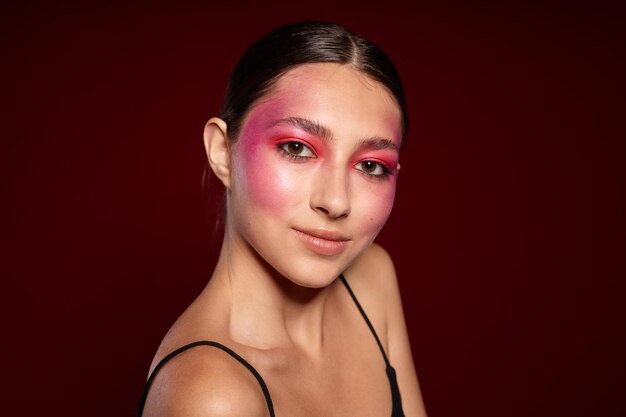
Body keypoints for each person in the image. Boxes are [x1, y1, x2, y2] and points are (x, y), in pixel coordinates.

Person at [138, 21, 428, 417]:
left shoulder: (372, 279)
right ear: (223, 151)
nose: (335, 201)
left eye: (371, 166)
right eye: (297, 148)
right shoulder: (211, 397)